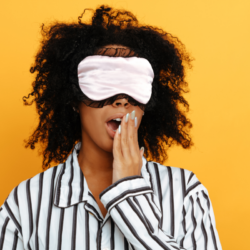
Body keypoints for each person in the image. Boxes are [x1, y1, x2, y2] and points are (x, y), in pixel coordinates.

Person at [0, 5, 222, 250]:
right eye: (104, 82)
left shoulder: (186, 194)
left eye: (133, 86)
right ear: (75, 99)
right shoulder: (25, 203)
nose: (122, 100)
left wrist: (130, 194)